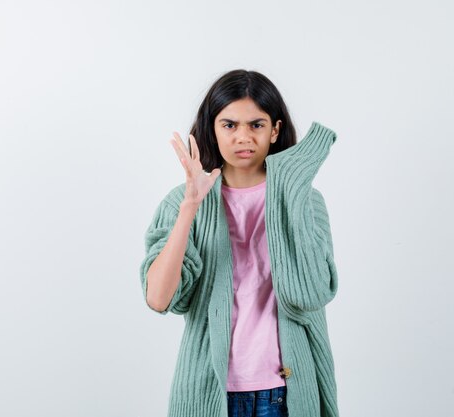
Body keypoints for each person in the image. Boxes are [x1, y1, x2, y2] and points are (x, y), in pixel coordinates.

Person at [139, 69, 339, 417]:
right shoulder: (181, 202)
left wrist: (290, 189)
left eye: (256, 125)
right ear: (212, 130)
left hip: (285, 392)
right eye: (229, 125)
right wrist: (190, 208)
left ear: (275, 130)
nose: (243, 136)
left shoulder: (306, 201)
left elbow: (311, 294)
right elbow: (159, 299)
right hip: (209, 391)